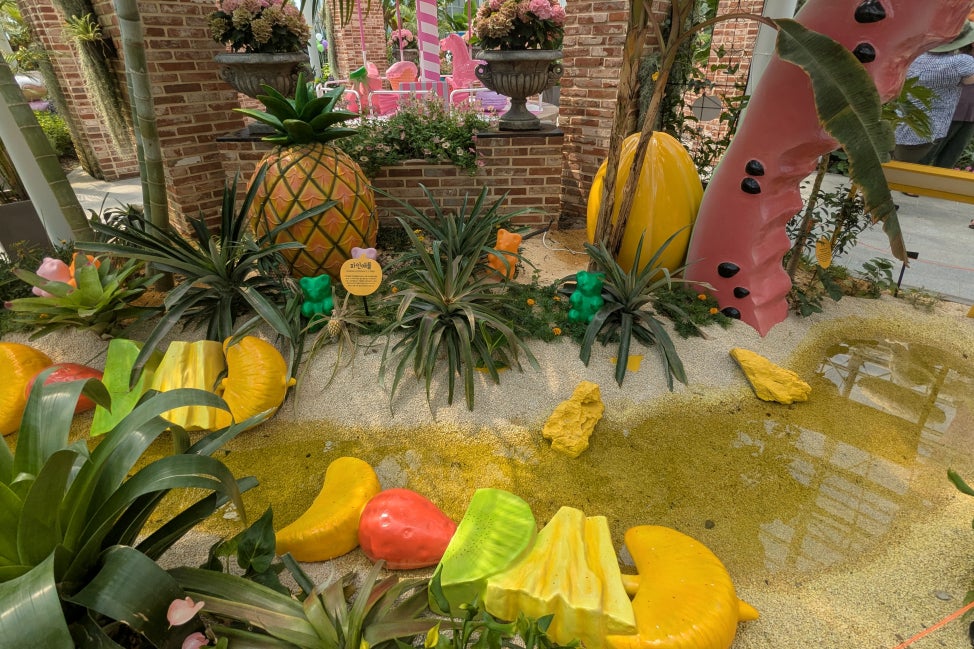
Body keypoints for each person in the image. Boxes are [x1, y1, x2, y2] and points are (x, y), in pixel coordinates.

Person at [893, 22, 974, 164]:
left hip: (909, 121)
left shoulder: (919, 56)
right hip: (936, 121)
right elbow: (968, 79)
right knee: (924, 163)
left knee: (911, 163)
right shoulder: (961, 61)